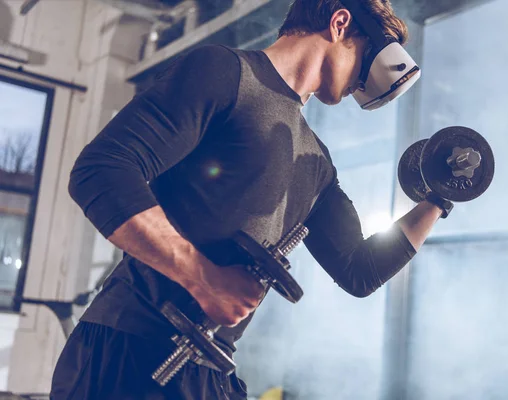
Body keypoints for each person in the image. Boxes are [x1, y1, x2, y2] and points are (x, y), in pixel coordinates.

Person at [50, 0, 446, 399]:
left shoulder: (317, 162)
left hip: (206, 368)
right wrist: (203, 278)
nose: (360, 86)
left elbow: (359, 270)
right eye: (364, 62)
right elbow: (101, 170)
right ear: (340, 23)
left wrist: (441, 198)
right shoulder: (224, 74)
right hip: (129, 352)